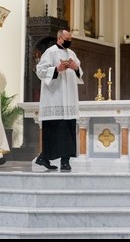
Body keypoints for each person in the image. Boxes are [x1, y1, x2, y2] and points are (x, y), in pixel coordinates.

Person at [35, 29, 84, 171]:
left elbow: (79, 73)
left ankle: (63, 160)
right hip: (54, 99)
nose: (70, 41)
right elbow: (40, 71)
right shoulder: (50, 52)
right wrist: (57, 69)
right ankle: (45, 157)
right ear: (60, 39)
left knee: (68, 130)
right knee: (55, 131)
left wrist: (75, 68)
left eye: (71, 38)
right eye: (67, 38)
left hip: (69, 99)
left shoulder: (72, 54)